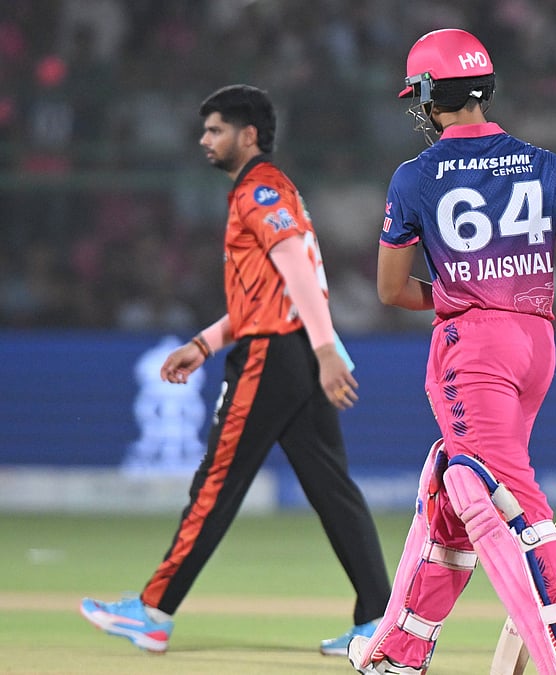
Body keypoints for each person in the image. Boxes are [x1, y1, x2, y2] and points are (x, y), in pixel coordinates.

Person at [346, 29, 556, 675]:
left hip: (472, 345)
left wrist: (460, 291)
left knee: (503, 499)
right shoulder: (546, 163)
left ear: (427, 96)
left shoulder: (416, 176)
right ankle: (399, 651)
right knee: (451, 483)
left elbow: (391, 289)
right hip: (537, 342)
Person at [79, 84, 392, 656]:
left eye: (215, 129)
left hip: (274, 355)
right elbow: (270, 290)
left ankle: (152, 611)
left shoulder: (260, 189)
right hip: (290, 347)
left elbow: (296, 266)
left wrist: (326, 350)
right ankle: (379, 620)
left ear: (248, 135)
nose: (205, 139)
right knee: (331, 488)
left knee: (217, 483)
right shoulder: (273, 189)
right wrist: (205, 342)